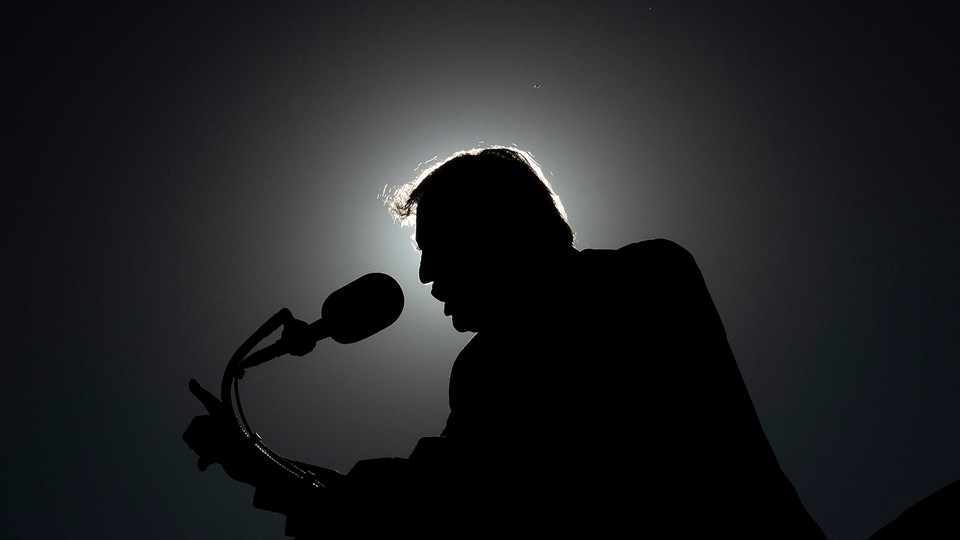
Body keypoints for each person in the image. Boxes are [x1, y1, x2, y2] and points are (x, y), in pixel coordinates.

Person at [185, 146, 827, 538]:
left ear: (500, 229)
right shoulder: (490, 362)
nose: (425, 275)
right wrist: (270, 470)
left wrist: (277, 475)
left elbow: (464, 496)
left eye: (437, 248)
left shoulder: (644, 277)